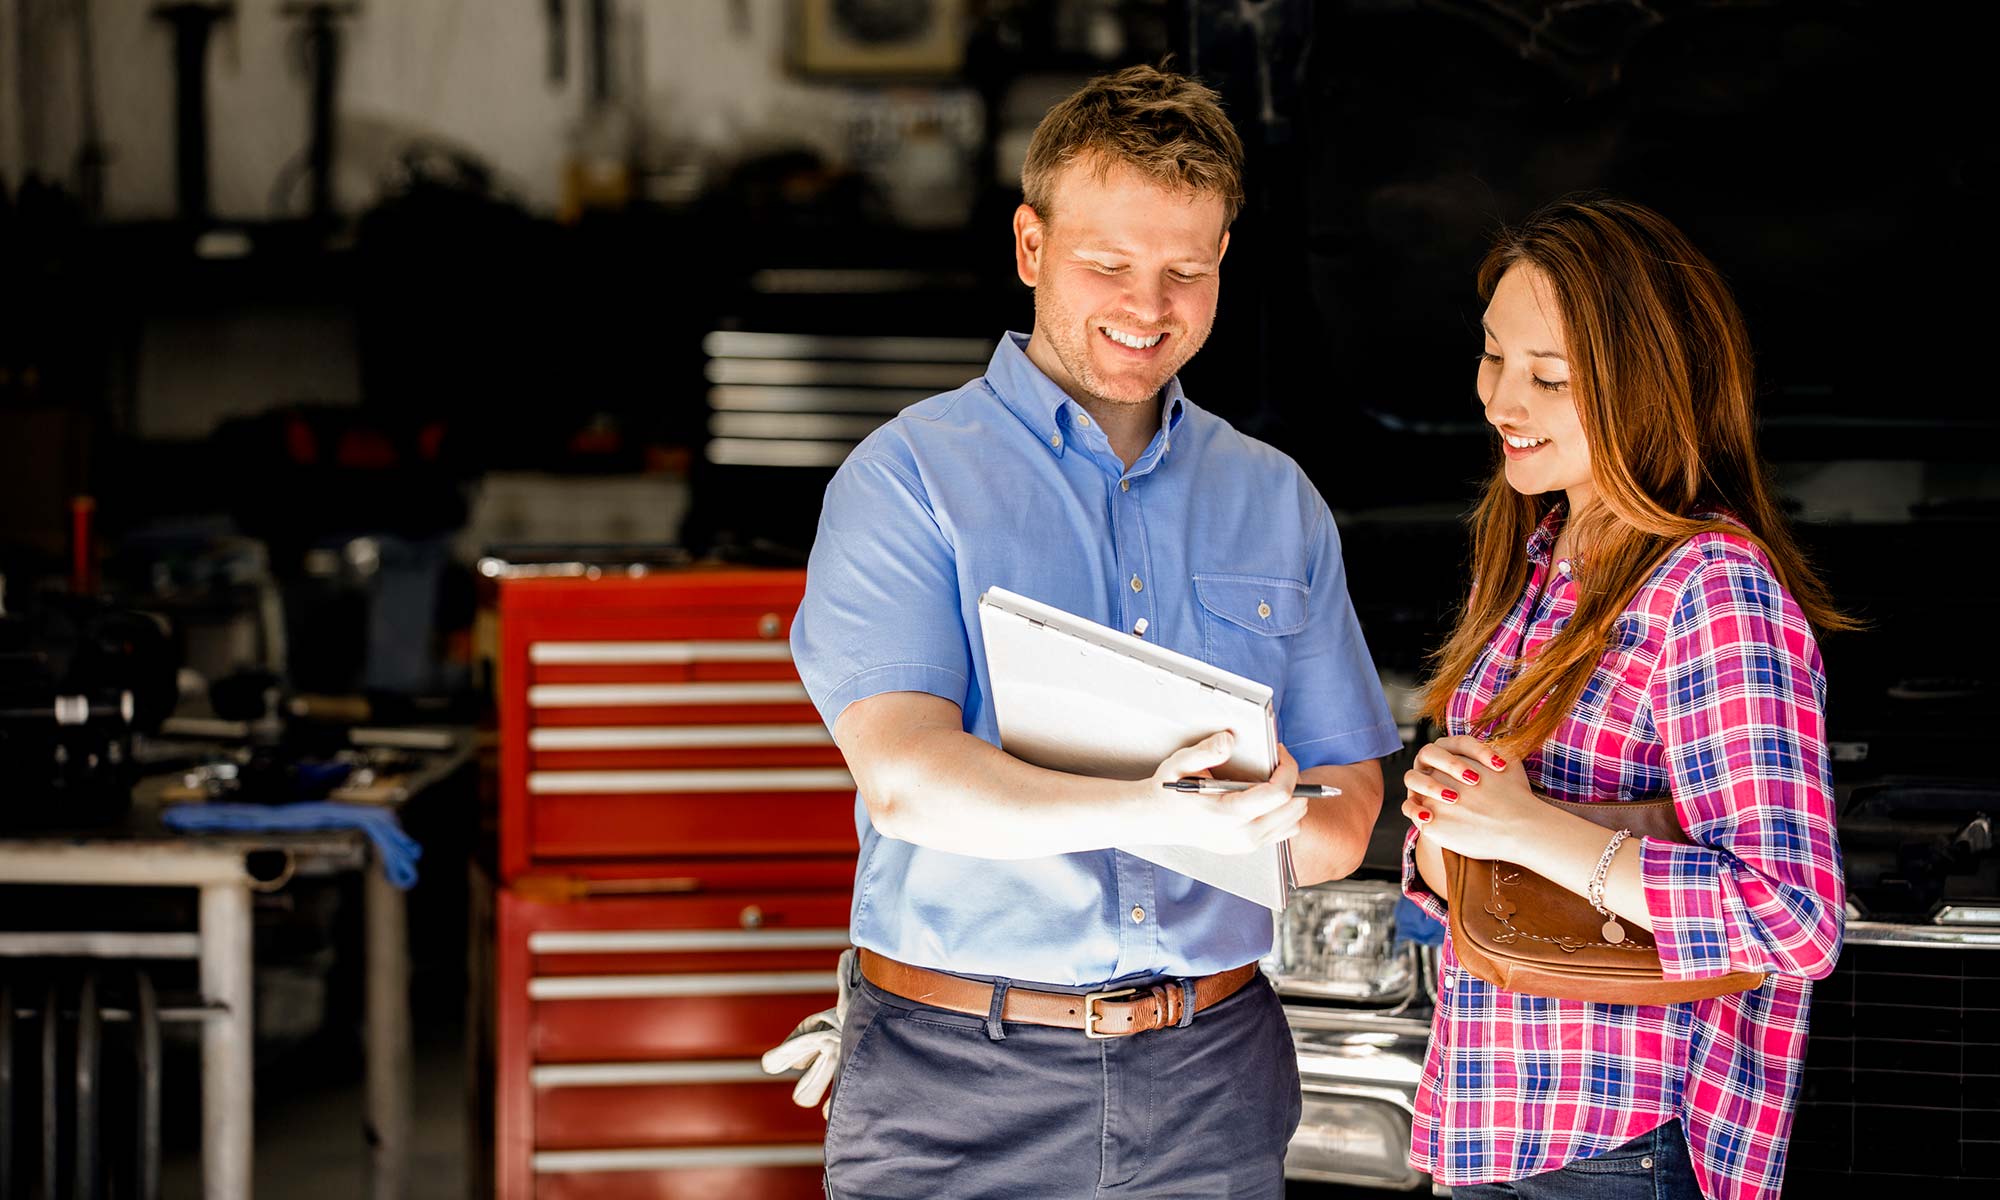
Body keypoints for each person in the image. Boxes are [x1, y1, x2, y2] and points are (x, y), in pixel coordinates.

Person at [790, 64, 1401, 1198]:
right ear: (1030, 248)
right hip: (956, 1075)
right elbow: (908, 780)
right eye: (1105, 264)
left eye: (1186, 271)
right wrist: (1148, 810)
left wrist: (1285, 821)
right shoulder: (908, 479)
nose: (1145, 306)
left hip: (1214, 1070)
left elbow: (1345, 797)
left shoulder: (1274, 499)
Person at [1398, 194, 1851, 1200]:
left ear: (1649, 387)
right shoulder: (1529, 558)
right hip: (1487, 1119)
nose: (1498, 402)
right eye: (1492, 358)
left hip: (1623, 1144)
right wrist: (1443, 823)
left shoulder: (1710, 590)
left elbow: (1793, 920)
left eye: (1547, 378)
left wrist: (1519, 829)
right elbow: (1469, 860)